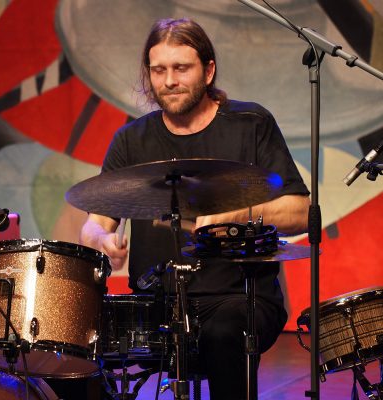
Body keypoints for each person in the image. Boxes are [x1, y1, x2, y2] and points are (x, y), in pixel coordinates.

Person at [80, 18, 310, 399]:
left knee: (224, 332)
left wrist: (236, 215)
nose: (168, 81)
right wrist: (102, 239)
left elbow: (300, 211)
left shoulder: (250, 124)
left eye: (181, 68)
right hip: (155, 305)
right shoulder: (131, 140)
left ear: (208, 70)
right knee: (66, 344)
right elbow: (93, 226)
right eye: (158, 70)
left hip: (240, 299)